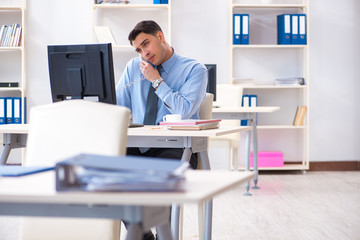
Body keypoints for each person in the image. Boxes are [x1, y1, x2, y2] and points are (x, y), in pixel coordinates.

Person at [116, 20, 207, 240]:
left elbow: (183, 110)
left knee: (161, 188)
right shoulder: (132, 68)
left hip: (176, 148)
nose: (144, 53)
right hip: (138, 147)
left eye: (146, 44)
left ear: (160, 36)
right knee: (108, 180)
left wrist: (156, 81)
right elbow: (117, 108)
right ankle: (145, 237)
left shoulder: (194, 70)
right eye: (138, 50)